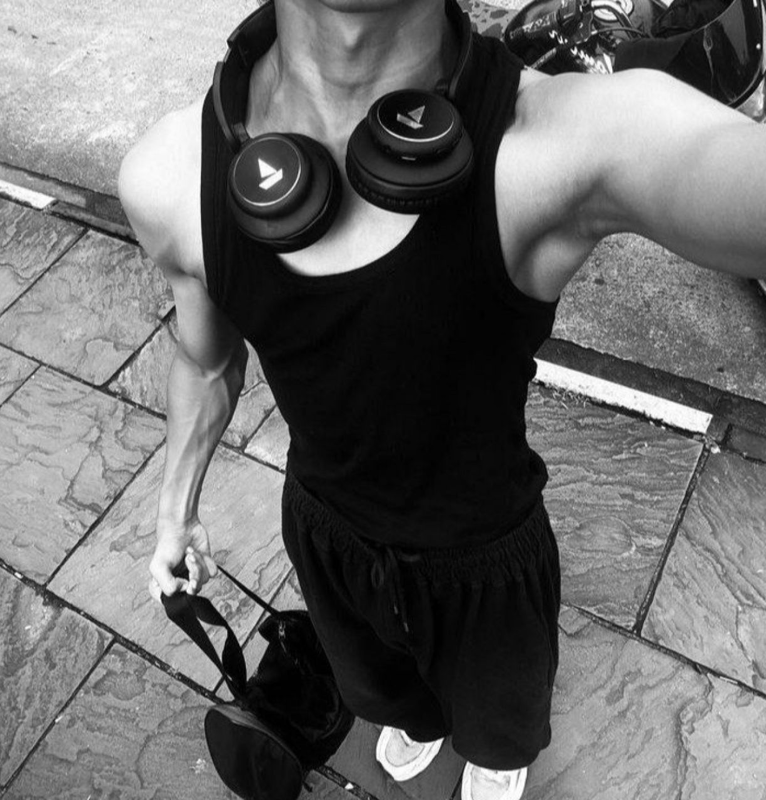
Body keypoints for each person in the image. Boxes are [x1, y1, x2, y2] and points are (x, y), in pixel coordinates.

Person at [117, 0, 766, 797]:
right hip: (324, 535)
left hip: (486, 560)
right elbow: (204, 361)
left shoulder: (559, 142)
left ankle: (496, 754)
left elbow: (711, 163)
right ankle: (418, 718)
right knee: (388, 697)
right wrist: (174, 510)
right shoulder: (170, 176)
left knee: (500, 725)